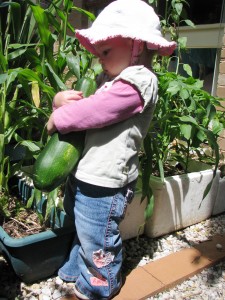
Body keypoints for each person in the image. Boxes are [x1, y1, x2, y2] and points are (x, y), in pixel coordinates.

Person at [47, 0, 176, 299]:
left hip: (106, 182)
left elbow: (98, 110)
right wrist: (60, 100)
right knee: (82, 226)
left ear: (135, 45)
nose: (99, 60)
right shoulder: (113, 79)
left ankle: (100, 284)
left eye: (105, 52)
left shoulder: (139, 82)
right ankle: (77, 268)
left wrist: (59, 117)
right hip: (89, 173)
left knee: (98, 237)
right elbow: (86, 107)